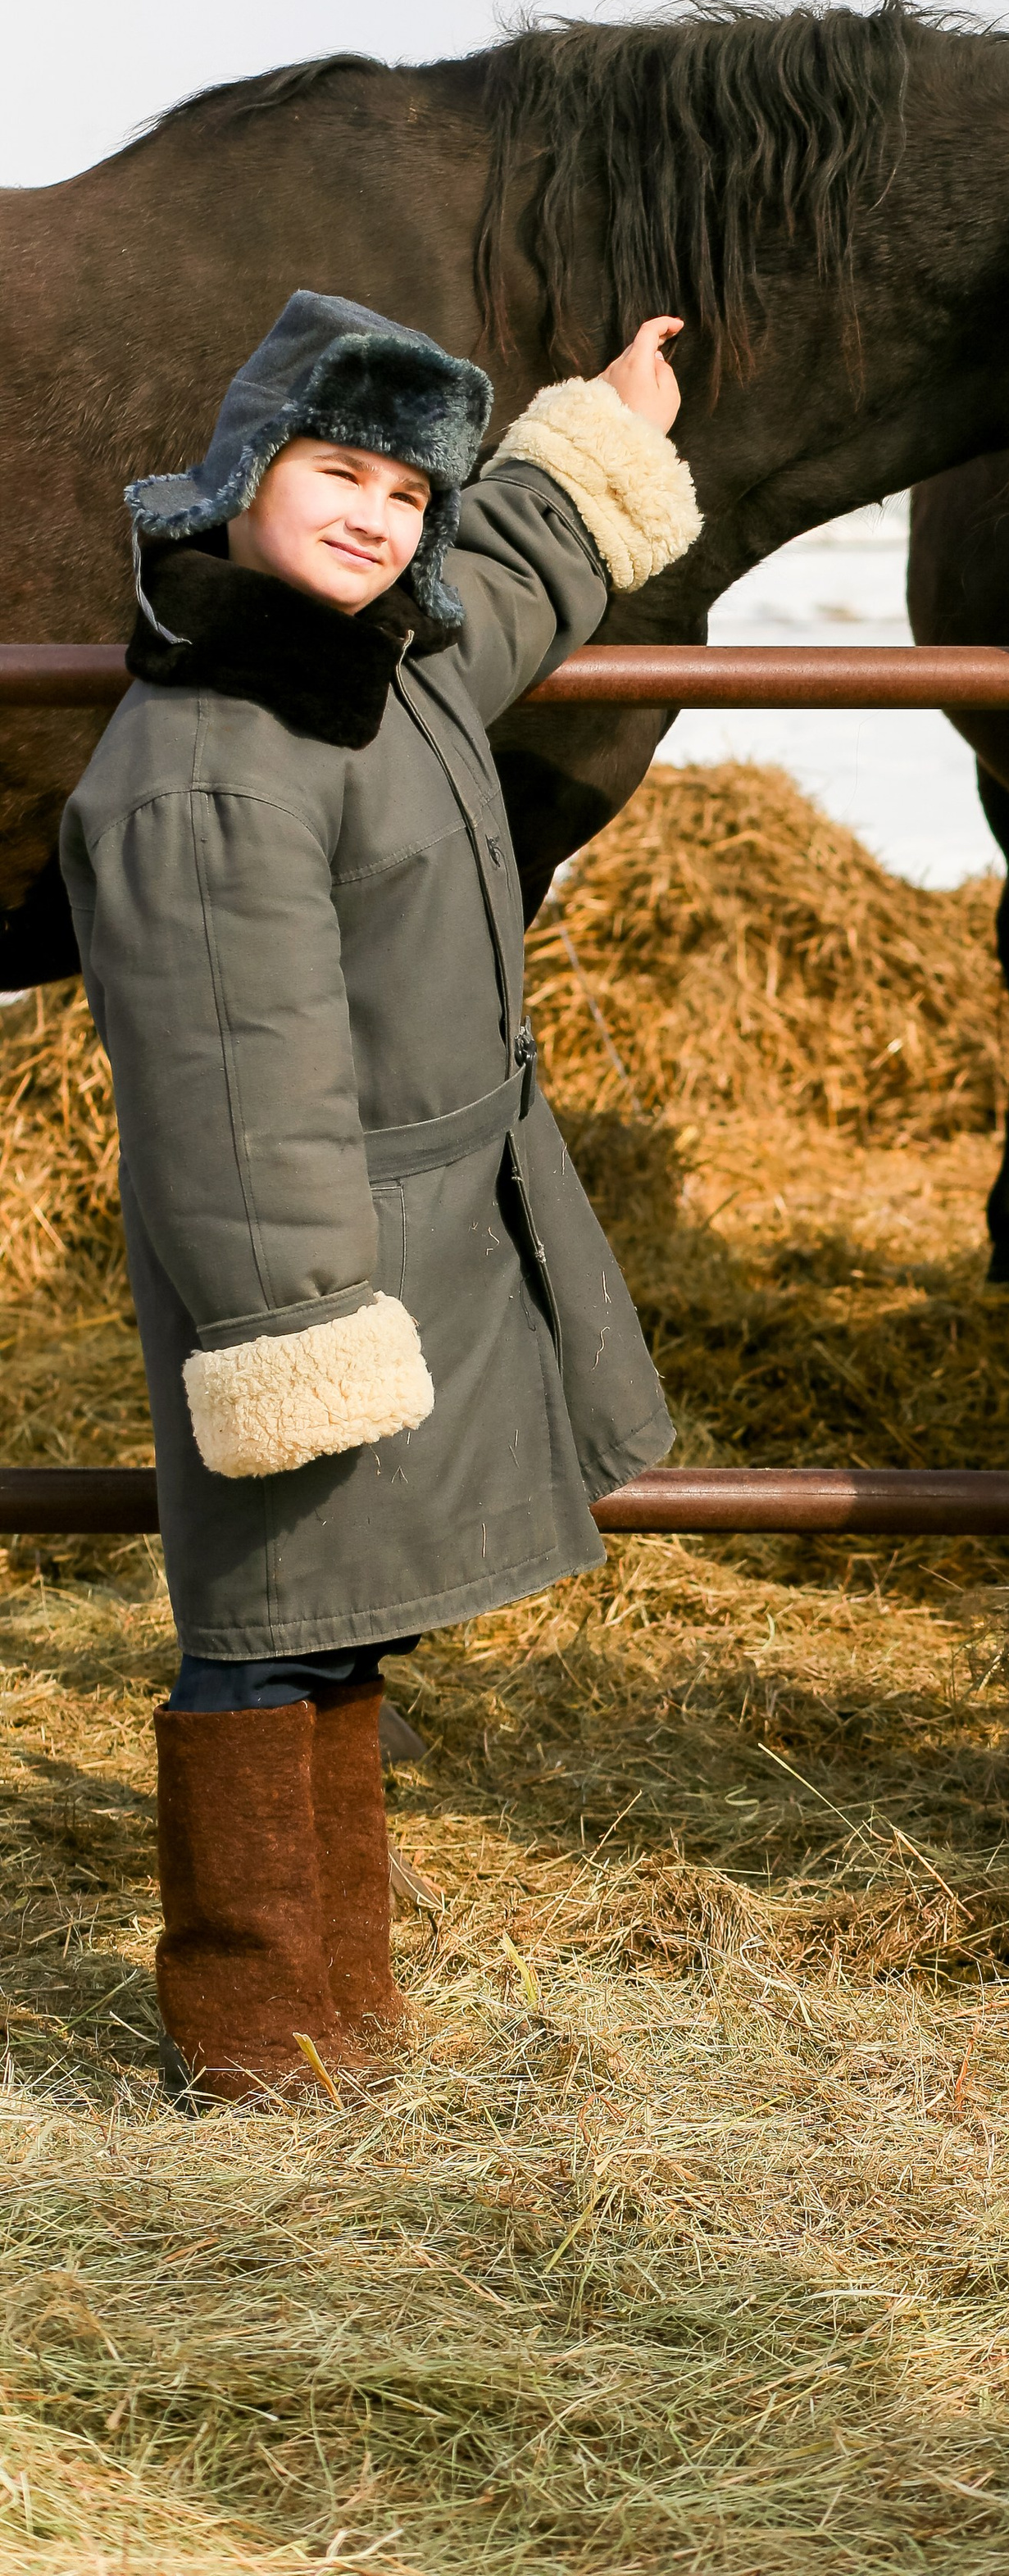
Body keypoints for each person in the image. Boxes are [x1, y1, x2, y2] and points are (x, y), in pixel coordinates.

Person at [61, 290, 702, 2098]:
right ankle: (257, 2048)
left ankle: (343, 2022)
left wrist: (604, 437)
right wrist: (295, 1333)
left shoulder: (383, 654)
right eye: (337, 474)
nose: (375, 519)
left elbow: (512, 574)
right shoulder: (205, 769)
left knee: (335, 1627)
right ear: (243, 476)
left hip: (413, 1233)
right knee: (265, 1637)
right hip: (307, 1270)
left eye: (405, 495)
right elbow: (237, 1102)